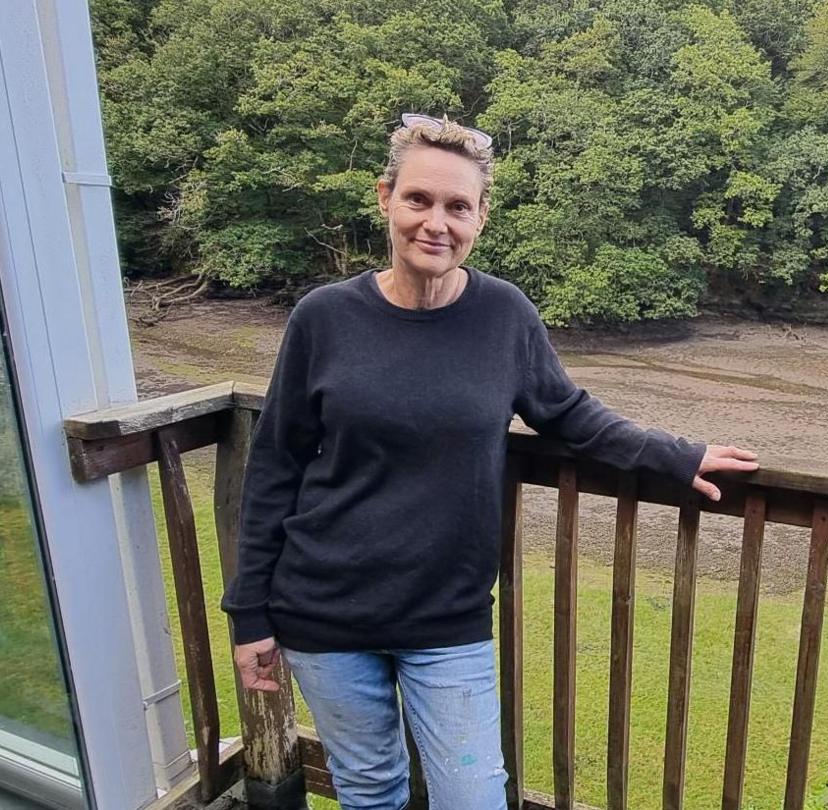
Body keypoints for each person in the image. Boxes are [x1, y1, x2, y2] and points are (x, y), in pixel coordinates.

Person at [220, 113, 759, 810]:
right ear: (385, 198)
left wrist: (675, 455)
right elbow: (275, 468)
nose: (435, 222)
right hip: (323, 612)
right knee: (368, 789)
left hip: (447, 615)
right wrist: (249, 616)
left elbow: (567, 412)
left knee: (472, 795)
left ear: (480, 217)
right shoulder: (323, 317)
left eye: (457, 206)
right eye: (418, 199)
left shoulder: (504, 315)